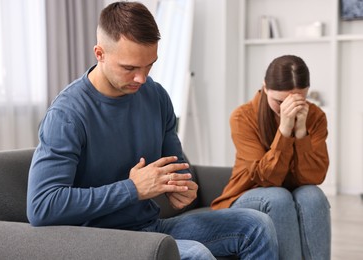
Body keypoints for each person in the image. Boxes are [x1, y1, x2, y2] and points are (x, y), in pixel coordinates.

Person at [26, 2, 278, 259]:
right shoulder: (67, 115)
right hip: (99, 239)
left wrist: (181, 188)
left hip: (149, 230)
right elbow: (42, 207)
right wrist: (132, 188)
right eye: (130, 68)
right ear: (99, 54)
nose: (142, 78)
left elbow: (178, 167)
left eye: (149, 65)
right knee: (196, 254)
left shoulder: (156, 96)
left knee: (256, 226)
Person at [211, 55, 331, 260]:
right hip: (249, 194)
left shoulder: (315, 116)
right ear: (265, 87)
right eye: (280, 101)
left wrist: (301, 132)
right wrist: (285, 131)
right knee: (278, 198)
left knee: (313, 196)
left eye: (297, 101)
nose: (288, 108)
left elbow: (315, 177)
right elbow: (267, 178)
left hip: (290, 194)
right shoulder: (243, 116)